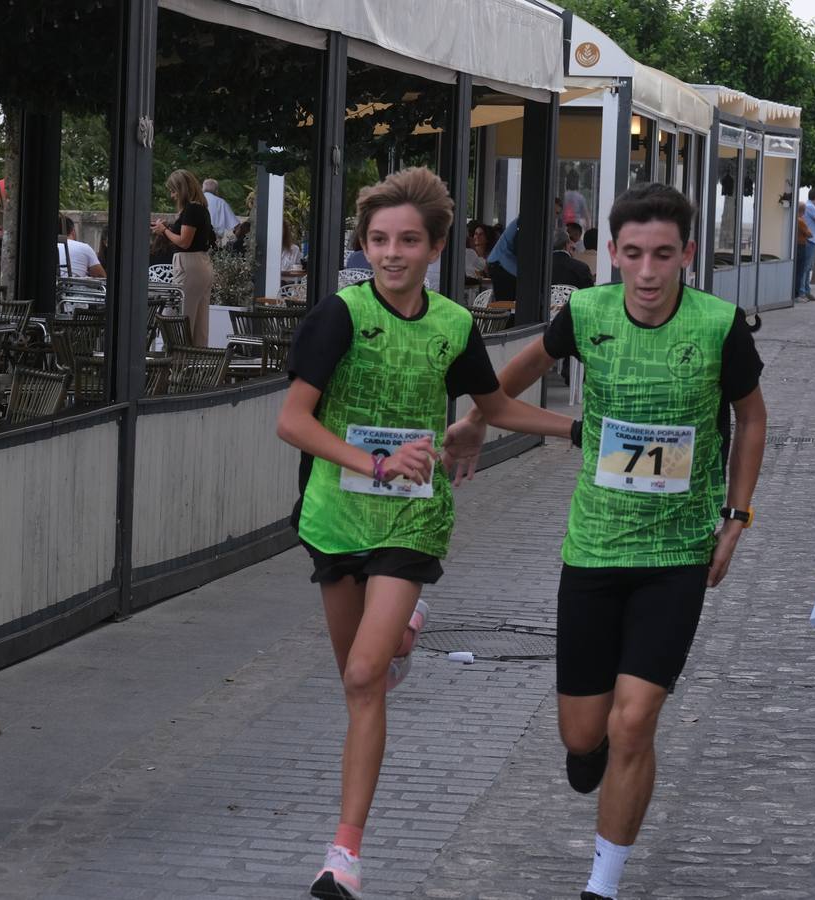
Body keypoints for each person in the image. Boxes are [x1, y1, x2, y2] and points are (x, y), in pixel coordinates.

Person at [443, 183, 767, 900]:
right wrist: (476, 422)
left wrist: (736, 518)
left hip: (678, 553)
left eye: (662, 255)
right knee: (582, 734)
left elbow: (752, 419)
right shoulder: (585, 314)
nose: (647, 272)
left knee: (633, 721)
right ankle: (586, 752)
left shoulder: (718, 326)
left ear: (686, 254)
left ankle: (604, 881)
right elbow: (508, 387)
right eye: (631, 254)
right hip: (591, 550)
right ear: (610, 254)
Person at [277, 167, 579, 900]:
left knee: (360, 677)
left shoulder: (452, 325)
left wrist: (576, 428)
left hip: (414, 513)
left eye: (408, 240)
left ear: (437, 246)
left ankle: (343, 857)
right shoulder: (338, 316)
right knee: (360, 667)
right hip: (335, 516)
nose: (391, 253)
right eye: (379, 239)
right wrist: (373, 463)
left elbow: (494, 406)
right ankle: (405, 634)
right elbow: (293, 421)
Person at [151, 169, 214, 346]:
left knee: (180, 316)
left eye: (173, 190)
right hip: (201, 263)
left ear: (182, 189)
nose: (172, 195)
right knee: (199, 322)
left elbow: (184, 242)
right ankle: (196, 363)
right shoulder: (200, 208)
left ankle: (177, 360)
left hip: (190, 264)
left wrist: (164, 231)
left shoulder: (192, 209)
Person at [486, 217, 519, 302]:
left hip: (503, 264)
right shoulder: (526, 222)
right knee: (505, 305)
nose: (555, 217)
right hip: (502, 264)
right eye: (555, 213)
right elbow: (521, 248)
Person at [800, 187, 815, 301]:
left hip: (812, 240)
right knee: (806, 267)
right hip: (811, 240)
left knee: (808, 267)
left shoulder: (809, 206)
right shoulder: (810, 207)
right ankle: (803, 292)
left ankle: (806, 290)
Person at [794, 202, 813, 303]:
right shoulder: (801, 221)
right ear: (803, 211)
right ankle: (797, 295)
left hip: (796, 246)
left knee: (797, 271)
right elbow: (809, 234)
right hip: (801, 246)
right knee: (800, 272)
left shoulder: (794, 220)